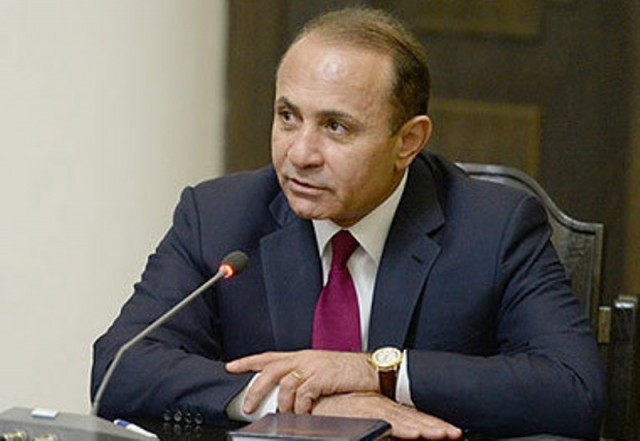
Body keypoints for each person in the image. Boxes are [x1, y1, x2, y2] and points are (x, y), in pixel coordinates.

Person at [91, 7, 604, 440]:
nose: (300, 154)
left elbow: (574, 389)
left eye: (335, 127)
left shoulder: (493, 228)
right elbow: (120, 366)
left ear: (408, 141)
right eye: (288, 116)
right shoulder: (218, 216)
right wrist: (301, 404)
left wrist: (374, 371)